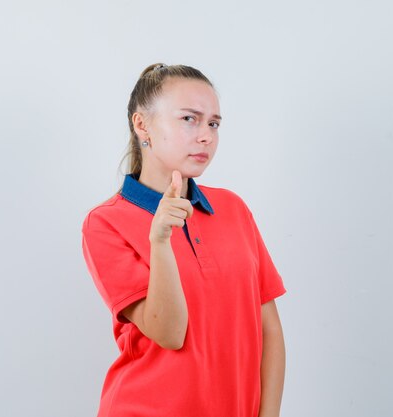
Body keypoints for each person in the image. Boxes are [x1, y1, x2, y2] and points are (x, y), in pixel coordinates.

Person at [81, 63, 287, 417]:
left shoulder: (233, 209)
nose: (206, 135)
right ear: (142, 124)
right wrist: (160, 242)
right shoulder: (105, 223)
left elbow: (269, 330)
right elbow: (170, 333)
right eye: (189, 119)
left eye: (214, 123)